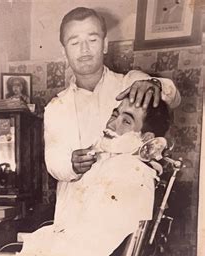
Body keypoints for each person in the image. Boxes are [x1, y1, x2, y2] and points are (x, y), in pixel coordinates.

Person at [44, 7, 181, 223]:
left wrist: (154, 84)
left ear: (105, 44)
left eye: (92, 39)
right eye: (74, 42)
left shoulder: (130, 83)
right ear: (64, 52)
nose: (84, 49)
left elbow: (173, 96)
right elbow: (52, 160)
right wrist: (70, 164)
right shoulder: (56, 106)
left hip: (122, 215)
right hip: (74, 216)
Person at [17, 98, 171, 256]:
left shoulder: (128, 172)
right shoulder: (119, 165)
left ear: (145, 139)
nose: (112, 124)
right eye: (115, 114)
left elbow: (85, 253)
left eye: (126, 121)